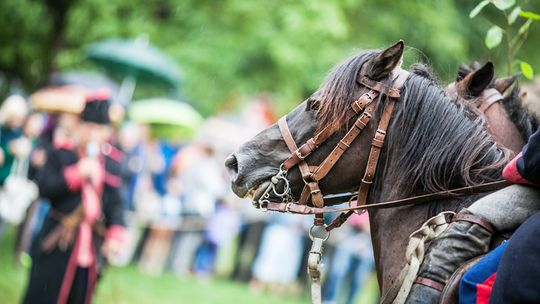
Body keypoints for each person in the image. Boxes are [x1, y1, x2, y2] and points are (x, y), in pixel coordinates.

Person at [22, 90, 126, 304]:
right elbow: (45, 188)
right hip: (59, 238)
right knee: (45, 294)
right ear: (79, 126)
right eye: (89, 127)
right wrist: (77, 173)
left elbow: (116, 203)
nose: (93, 134)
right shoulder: (61, 154)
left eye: (99, 129)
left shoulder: (112, 163)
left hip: (91, 245)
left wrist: (115, 234)